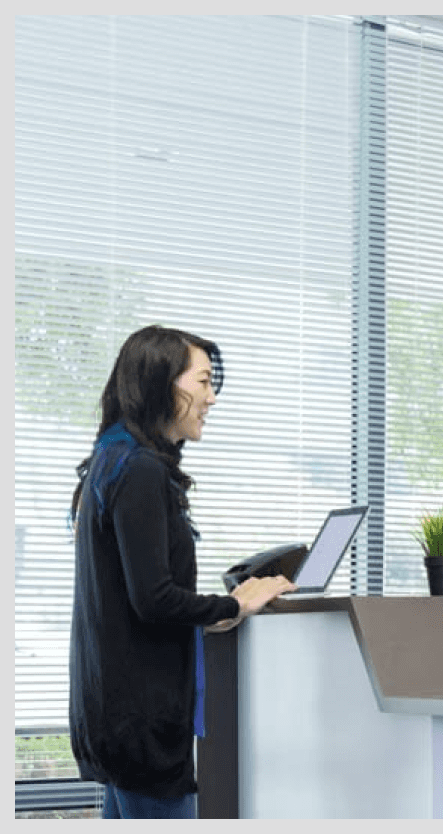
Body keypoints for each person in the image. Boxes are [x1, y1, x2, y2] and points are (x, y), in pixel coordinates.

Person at [68, 325, 296, 818]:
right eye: (203, 382)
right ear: (162, 384)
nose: (212, 398)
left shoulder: (112, 460)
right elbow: (154, 598)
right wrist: (234, 603)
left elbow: (136, 595)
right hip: (141, 724)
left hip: (115, 717)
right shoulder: (140, 470)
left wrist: (215, 613)